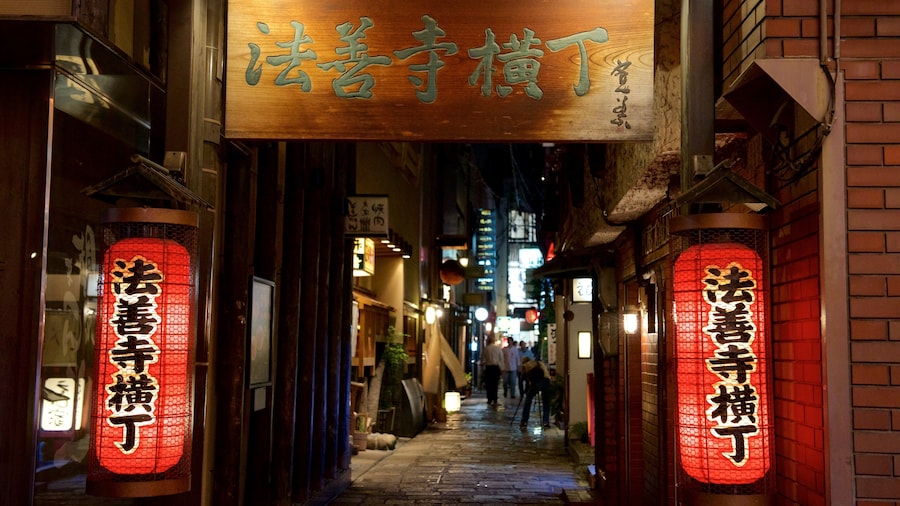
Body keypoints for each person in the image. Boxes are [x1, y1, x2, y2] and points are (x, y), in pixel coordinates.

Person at [519, 356, 552, 429]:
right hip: (546, 382)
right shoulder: (538, 363)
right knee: (546, 403)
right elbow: (546, 375)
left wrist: (523, 392)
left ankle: (524, 421)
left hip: (536, 384)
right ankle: (546, 422)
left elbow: (522, 381)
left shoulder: (526, 366)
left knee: (528, 400)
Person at [481, 336, 503, 405]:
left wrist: (483, 365)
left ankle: (489, 398)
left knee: (489, 384)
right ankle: (495, 398)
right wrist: (502, 369)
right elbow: (501, 359)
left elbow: (482, 359)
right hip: (496, 368)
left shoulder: (486, 349)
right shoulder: (498, 349)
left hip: (489, 368)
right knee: (495, 383)